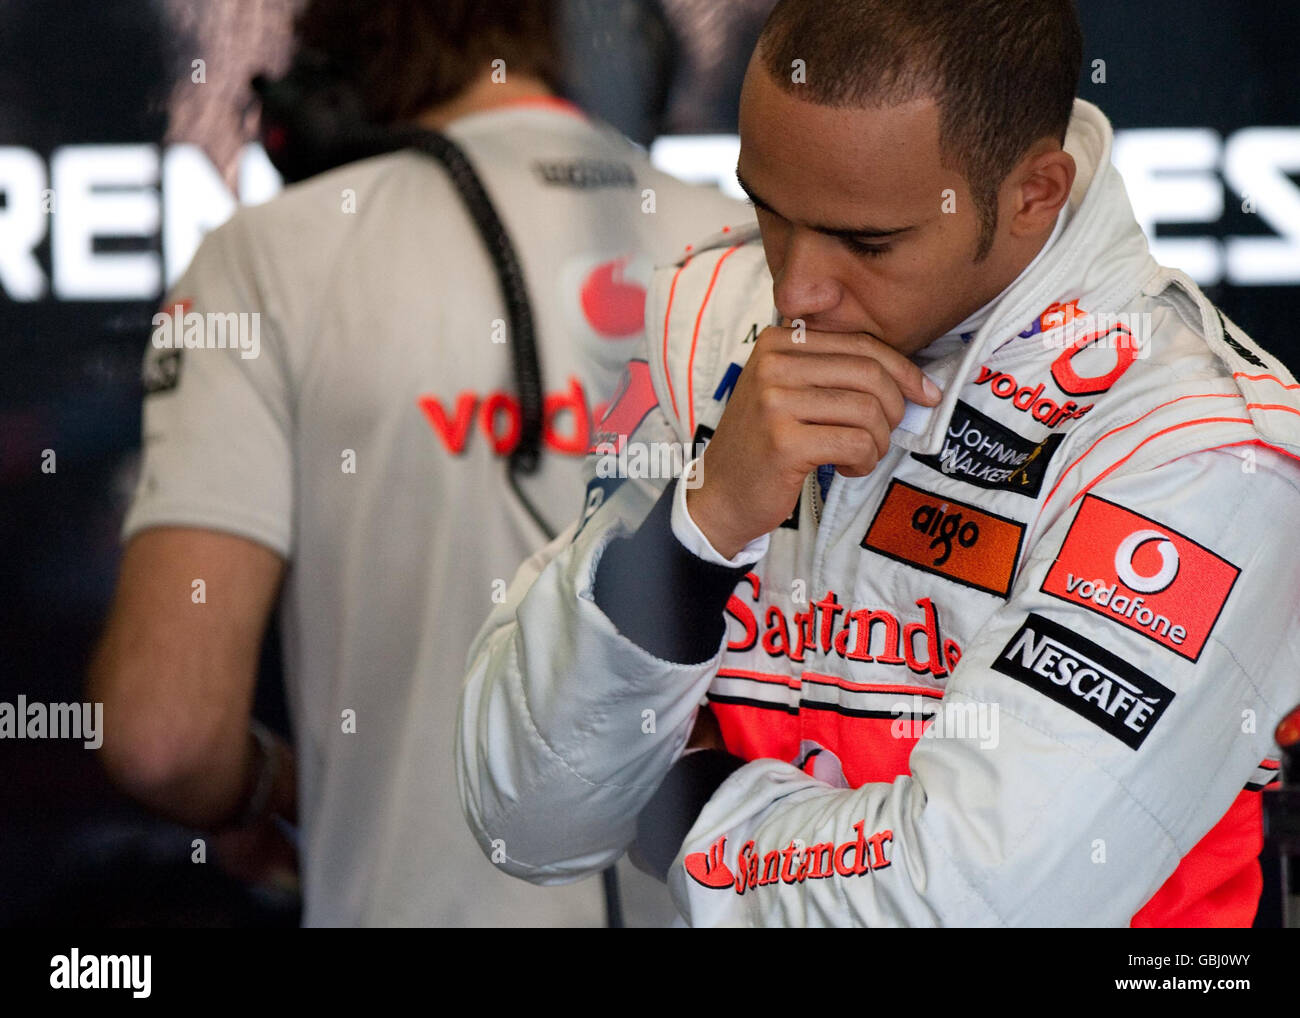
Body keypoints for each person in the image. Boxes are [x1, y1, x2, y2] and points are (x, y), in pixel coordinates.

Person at [457, 0, 1300, 926]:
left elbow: (967, 902)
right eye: (769, 212)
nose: (795, 289)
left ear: (1035, 193)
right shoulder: (697, 322)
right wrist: (700, 528)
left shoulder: (1204, 445)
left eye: (867, 243)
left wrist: (682, 805)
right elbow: (528, 819)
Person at [88, 0, 747, 926]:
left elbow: (166, 735)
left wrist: (271, 792)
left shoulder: (272, 257)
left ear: (341, 65)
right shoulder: (754, 249)